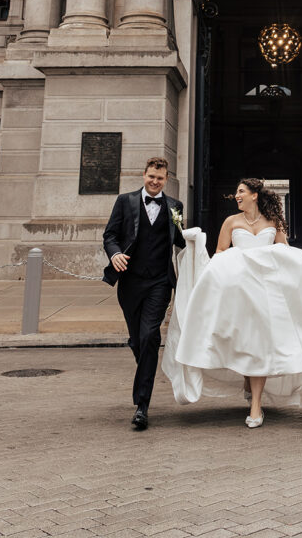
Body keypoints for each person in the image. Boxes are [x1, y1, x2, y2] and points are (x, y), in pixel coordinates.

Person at [162, 178, 302, 428]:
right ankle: (249, 382)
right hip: (240, 294)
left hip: (267, 294)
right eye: (236, 192)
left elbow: (285, 252)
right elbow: (220, 254)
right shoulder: (231, 222)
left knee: (259, 345)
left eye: (241, 191)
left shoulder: (273, 222)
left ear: (254, 195)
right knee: (247, 342)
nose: (236, 195)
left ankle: (256, 407)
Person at [102, 156, 185, 431]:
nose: (154, 181)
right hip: (130, 282)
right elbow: (110, 235)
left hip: (160, 283)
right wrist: (114, 255)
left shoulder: (175, 206)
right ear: (144, 175)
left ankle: (142, 406)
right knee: (138, 341)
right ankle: (145, 364)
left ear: (166, 179)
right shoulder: (125, 202)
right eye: (151, 176)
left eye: (160, 178)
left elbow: (182, 240)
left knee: (150, 335)